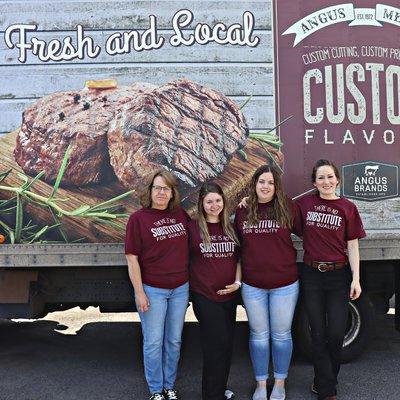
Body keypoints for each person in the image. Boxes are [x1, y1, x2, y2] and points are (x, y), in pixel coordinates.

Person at [296, 159, 366, 400]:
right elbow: (277, 212)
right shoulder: (304, 205)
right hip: (312, 275)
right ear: (314, 183)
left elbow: (353, 244)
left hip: (338, 275)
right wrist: (246, 201)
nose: (326, 182)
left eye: (329, 177)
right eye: (320, 178)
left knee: (336, 334)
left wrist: (355, 279)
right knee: (317, 333)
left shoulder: (348, 208)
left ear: (337, 179)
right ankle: (326, 388)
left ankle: (327, 379)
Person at [235, 165, 301, 400]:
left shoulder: (288, 207)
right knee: (259, 335)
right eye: (261, 181)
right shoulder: (243, 211)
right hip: (253, 286)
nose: (265, 186)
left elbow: (309, 233)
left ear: (277, 186)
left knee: (282, 335)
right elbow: (238, 247)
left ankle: (280, 383)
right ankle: (261, 384)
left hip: (284, 283)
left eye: (271, 182)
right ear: (254, 184)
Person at [125, 169, 190, 400]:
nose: (161, 193)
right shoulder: (138, 219)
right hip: (153, 290)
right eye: (157, 188)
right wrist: (139, 292)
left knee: (174, 340)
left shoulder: (181, 215)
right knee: (153, 342)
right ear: (150, 191)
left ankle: (169, 386)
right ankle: (156, 390)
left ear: (172, 193)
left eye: (166, 188)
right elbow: (131, 258)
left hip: (180, 289)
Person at [188, 183, 241, 400]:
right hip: (205, 295)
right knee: (215, 344)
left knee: (227, 343)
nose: (214, 205)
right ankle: (211, 395)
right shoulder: (192, 228)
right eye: (209, 201)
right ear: (202, 203)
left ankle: (219, 388)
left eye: (218, 201)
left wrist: (238, 283)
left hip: (229, 296)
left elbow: (239, 259)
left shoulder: (231, 227)